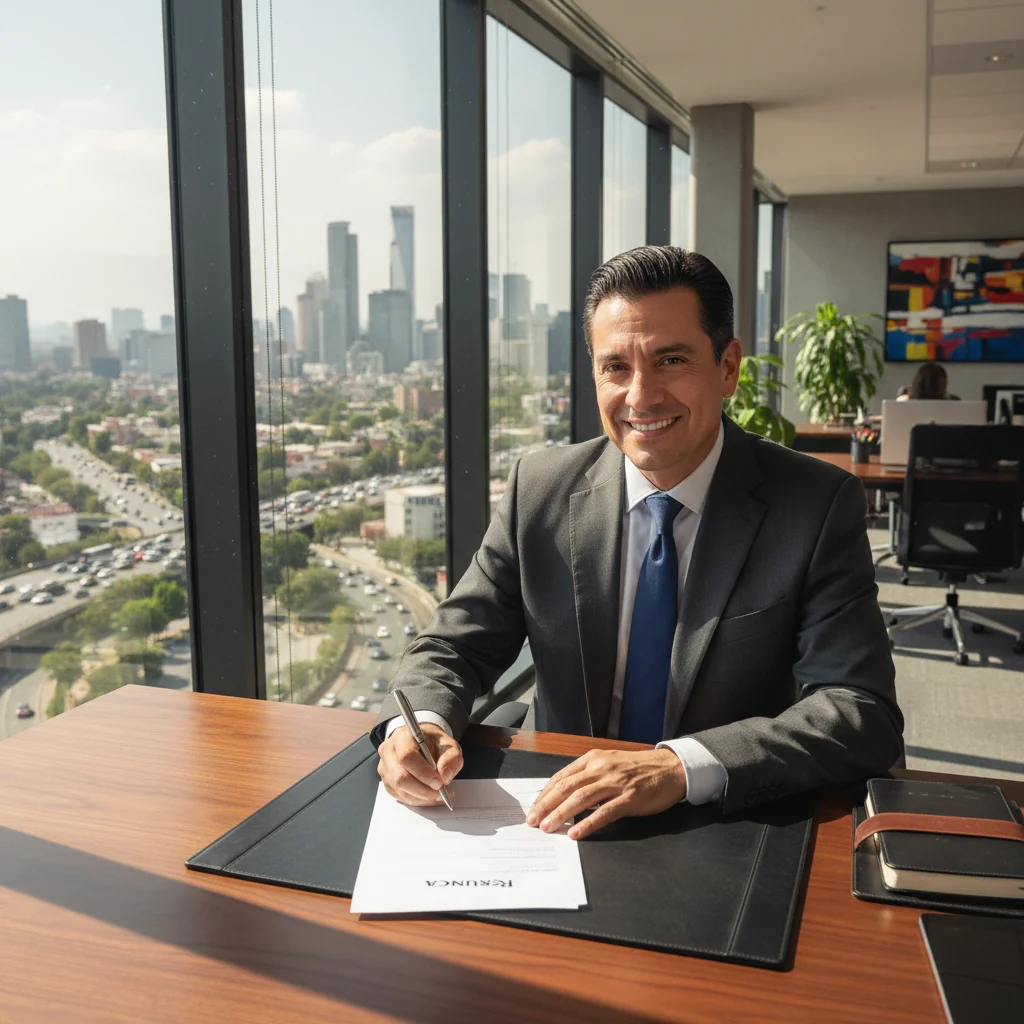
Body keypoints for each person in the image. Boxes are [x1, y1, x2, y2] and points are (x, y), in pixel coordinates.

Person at [374, 246, 903, 841]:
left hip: (722, 823)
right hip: (558, 815)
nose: (641, 397)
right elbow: (452, 644)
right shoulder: (539, 490)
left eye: (670, 360)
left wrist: (679, 765)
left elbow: (860, 711)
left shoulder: (814, 504)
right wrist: (417, 725)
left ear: (728, 368)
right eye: (615, 367)